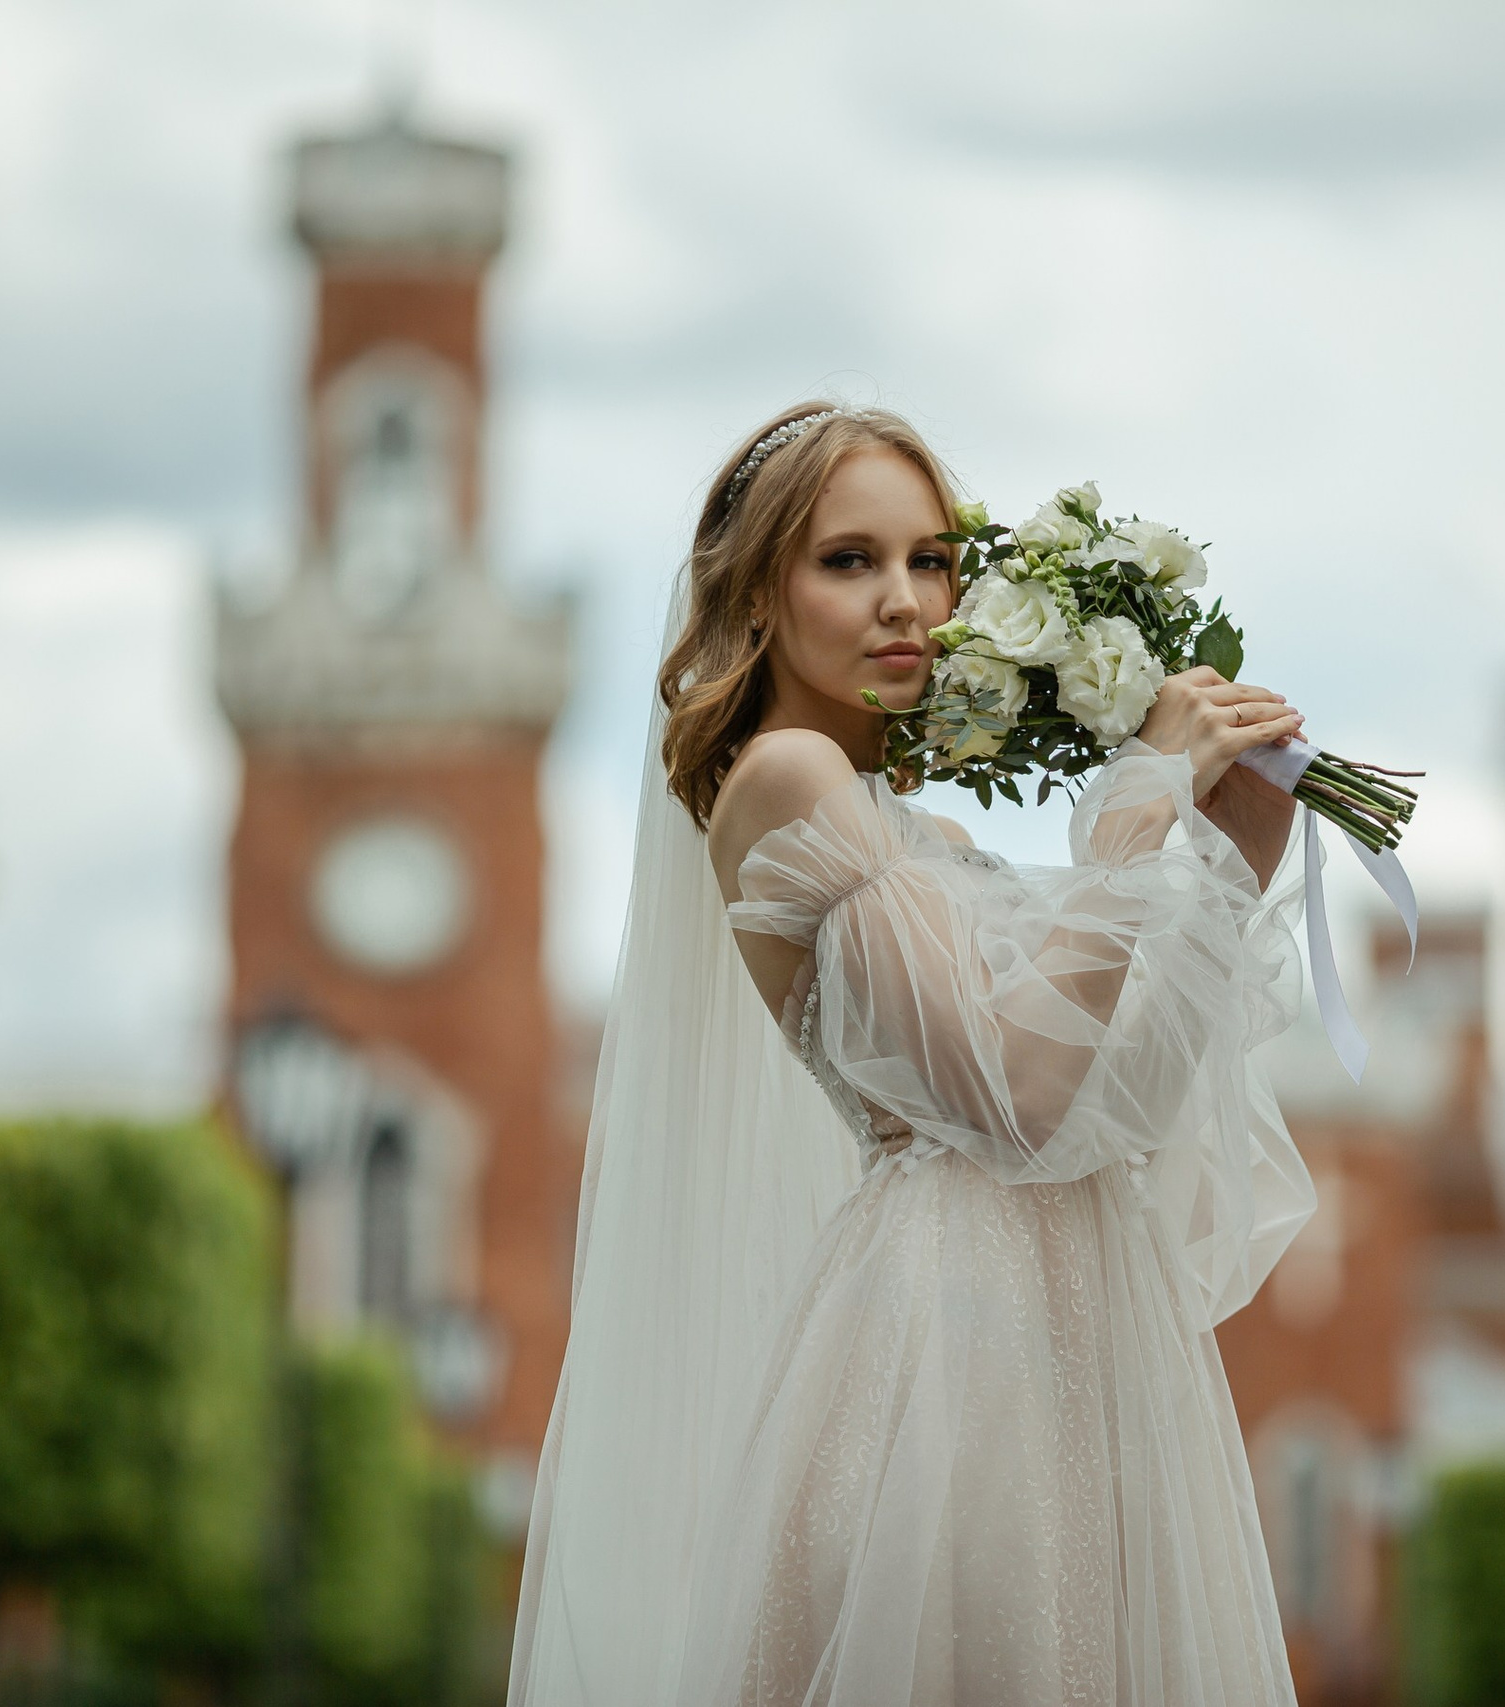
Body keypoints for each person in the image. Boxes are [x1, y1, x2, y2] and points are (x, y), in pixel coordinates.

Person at [509, 404, 1318, 1707]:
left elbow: (1117, 1111)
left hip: (1072, 1359)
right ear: (761, 598)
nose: (905, 602)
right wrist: (1135, 814)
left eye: (932, 561)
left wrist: (1232, 856)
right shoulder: (783, 778)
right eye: (849, 561)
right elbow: (1015, 1105)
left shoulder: (922, 838)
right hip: (945, 1362)